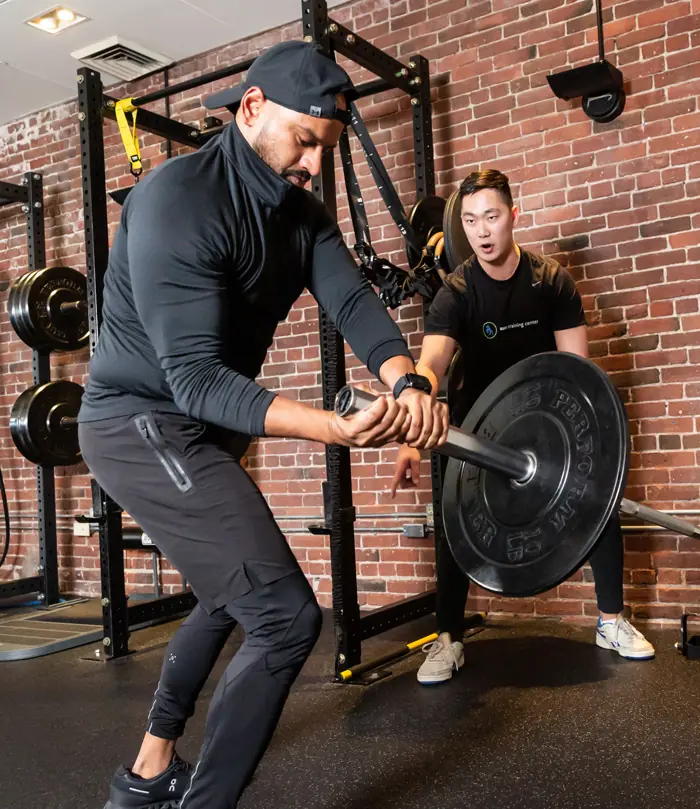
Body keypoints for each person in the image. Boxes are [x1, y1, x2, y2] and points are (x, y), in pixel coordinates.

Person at [78, 41, 449, 809]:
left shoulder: (300, 213)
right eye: (305, 140)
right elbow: (195, 379)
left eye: (326, 148)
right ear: (252, 110)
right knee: (283, 616)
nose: (314, 162)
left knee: (229, 593)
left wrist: (406, 378)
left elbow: (351, 303)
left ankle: (148, 771)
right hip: (139, 424)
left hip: (202, 424)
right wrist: (331, 428)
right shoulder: (178, 201)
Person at [391, 168, 655, 686]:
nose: (482, 231)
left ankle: (610, 620)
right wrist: (410, 440)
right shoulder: (456, 293)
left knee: (600, 493)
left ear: (513, 216)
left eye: (491, 217)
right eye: (470, 221)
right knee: (451, 518)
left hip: (544, 420)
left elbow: (579, 372)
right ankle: (449, 639)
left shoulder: (550, 281)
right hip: (478, 428)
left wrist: (587, 447)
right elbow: (431, 369)